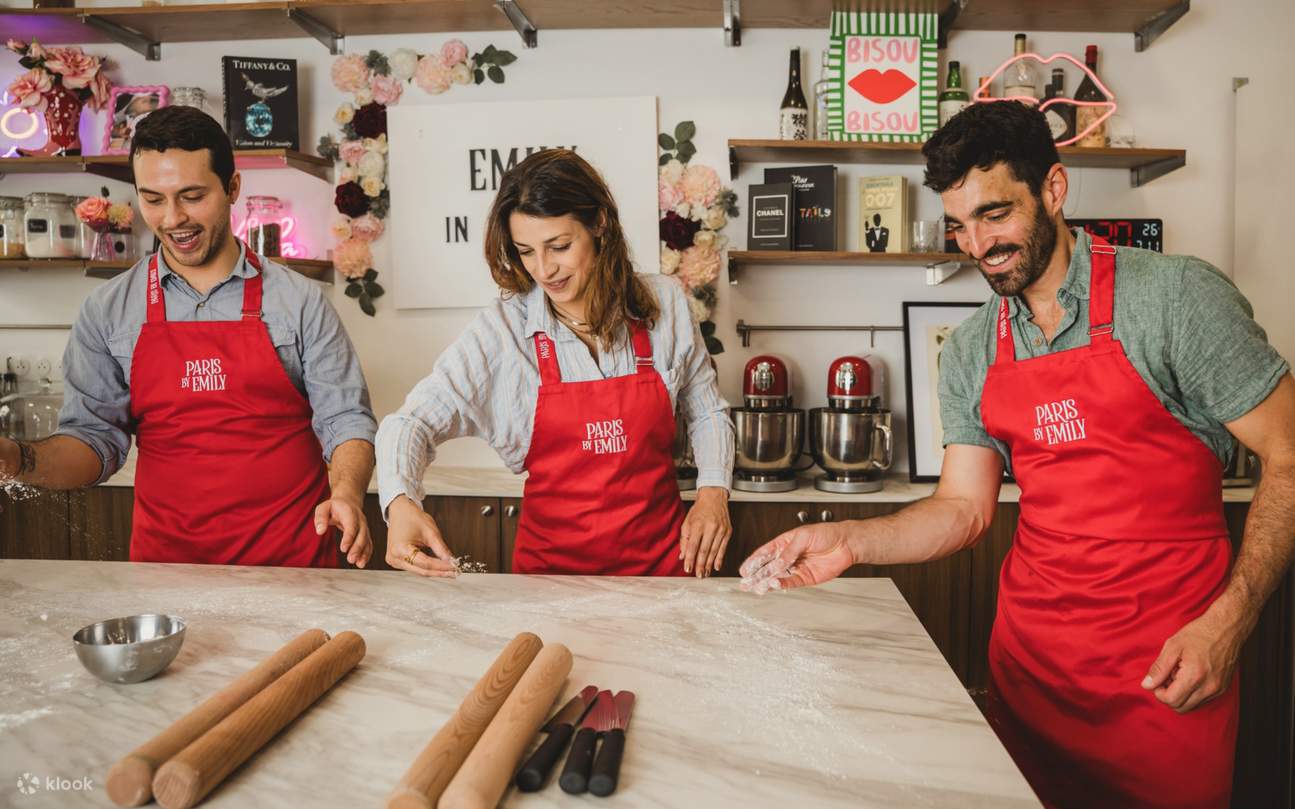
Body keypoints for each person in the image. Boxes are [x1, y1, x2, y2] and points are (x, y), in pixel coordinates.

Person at [738, 101, 1295, 809]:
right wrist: (848, 538)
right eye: (960, 225)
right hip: (1032, 673)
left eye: (994, 215)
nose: (976, 245)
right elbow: (962, 509)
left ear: (1053, 190)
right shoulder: (971, 347)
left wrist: (1229, 621)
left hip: (1169, 670)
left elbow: (1288, 449)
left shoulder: (1173, 298)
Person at [0, 106, 378, 568]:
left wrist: (346, 493)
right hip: (168, 572)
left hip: (294, 565)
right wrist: (17, 458)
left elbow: (347, 421)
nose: (173, 218)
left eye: (192, 196)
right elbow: (93, 441)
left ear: (232, 188)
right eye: (153, 199)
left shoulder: (298, 303)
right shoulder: (108, 312)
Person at [376, 149, 733, 579]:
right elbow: (410, 422)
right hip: (549, 585)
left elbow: (706, 407)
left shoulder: (664, 303)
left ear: (599, 224)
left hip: (660, 571)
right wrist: (400, 502)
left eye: (559, 246)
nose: (544, 270)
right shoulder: (504, 331)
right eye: (526, 251)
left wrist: (714, 492)